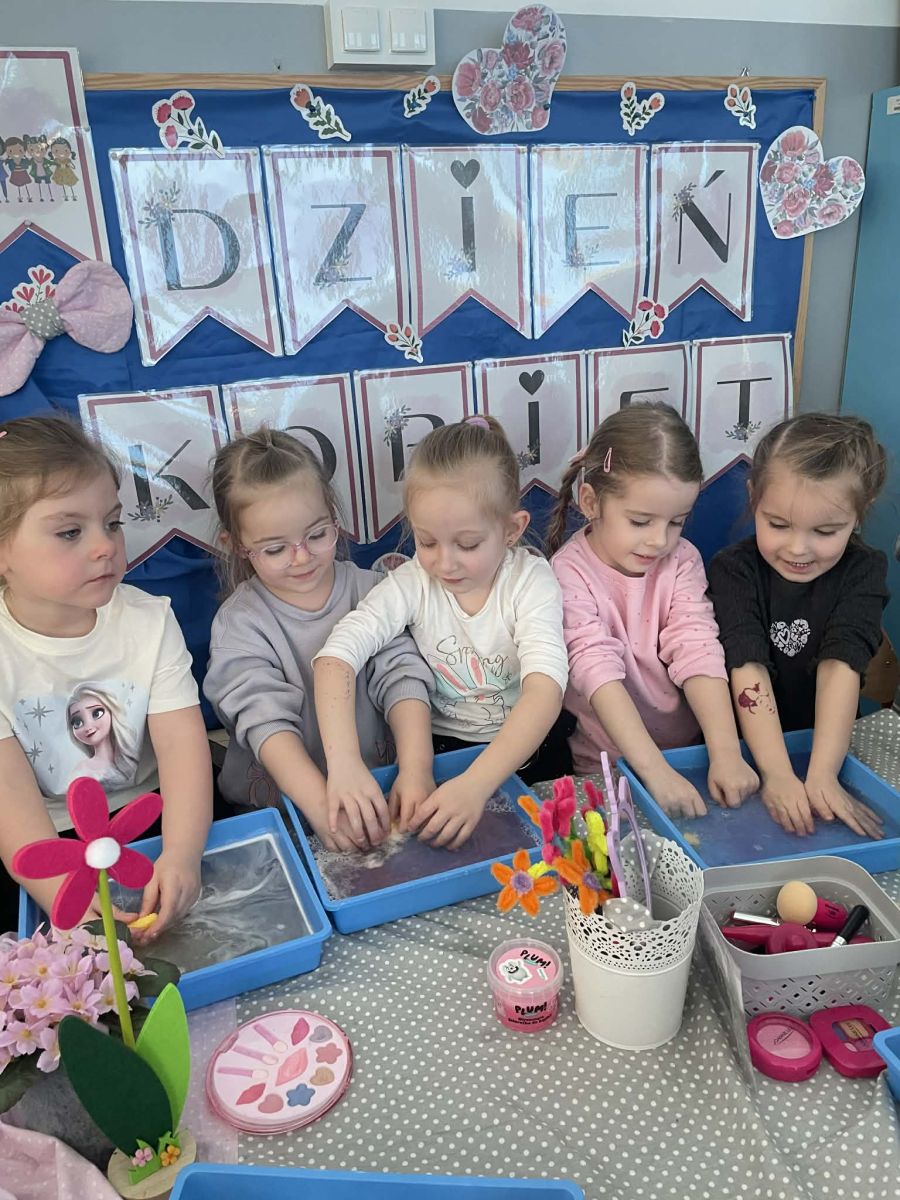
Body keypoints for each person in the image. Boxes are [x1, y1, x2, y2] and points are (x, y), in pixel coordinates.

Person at [314, 414, 569, 850]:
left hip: (529, 752)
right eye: (427, 541)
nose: (445, 563)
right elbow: (335, 658)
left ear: (512, 529)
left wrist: (477, 784)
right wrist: (344, 765)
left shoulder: (531, 581)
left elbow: (545, 690)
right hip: (440, 754)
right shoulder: (412, 582)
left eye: (467, 545)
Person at [0, 416, 212, 938]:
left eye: (112, 523)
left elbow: (184, 751)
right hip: (48, 833)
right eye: (70, 532)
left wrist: (181, 855)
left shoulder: (149, 621)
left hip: (149, 812)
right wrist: (67, 901)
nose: (105, 546)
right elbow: (13, 811)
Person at [203, 427, 435, 852]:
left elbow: (403, 677)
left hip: (381, 794)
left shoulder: (373, 591)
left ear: (333, 515)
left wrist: (416, 769)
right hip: (276, 815)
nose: (302, 557)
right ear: (235, 545)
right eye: (275, 549)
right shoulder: (240, 624)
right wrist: (320, 806)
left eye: (316, 534)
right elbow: (264, 721)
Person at [548, 403, 758, 817]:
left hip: (690, 755)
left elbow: (697, 649)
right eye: (641, 521)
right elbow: (596, 670)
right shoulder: (567, 573)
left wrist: (726, 752)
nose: (660, 541)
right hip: (605, 765)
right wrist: (655, 772)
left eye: (676, 522)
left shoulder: (682, 561)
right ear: (591, 501)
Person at [708, 413, 889, 838]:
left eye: (825, 531)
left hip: (828, 744)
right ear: (753, 497)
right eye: (778, 525)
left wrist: (822, 774)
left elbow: (841, 664)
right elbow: (747, 666)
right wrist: (777, 773)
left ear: (860, 513)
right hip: (745, 752)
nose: (797, 548)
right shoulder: (734, 570)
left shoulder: (864, 570)